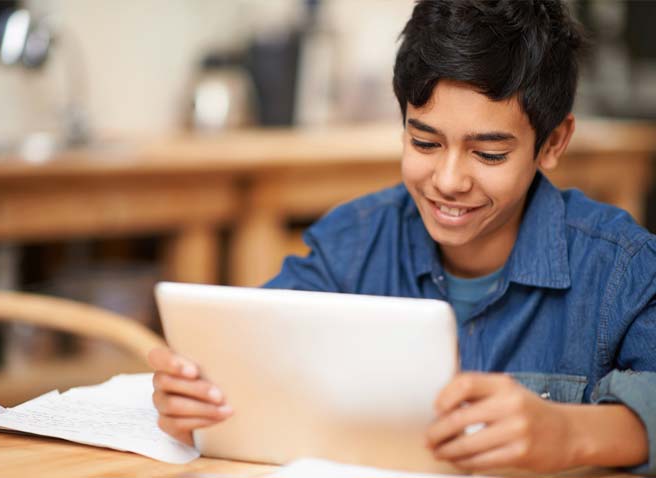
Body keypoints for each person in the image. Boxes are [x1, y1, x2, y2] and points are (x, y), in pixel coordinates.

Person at [148, 0, 656, 473]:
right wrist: (197, 400)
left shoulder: (619, 267)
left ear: (553, 143)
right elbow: (249, 364)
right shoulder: (352, 246)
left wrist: (571, 432)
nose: (449, 180)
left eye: (489, 154)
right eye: (424, 141)